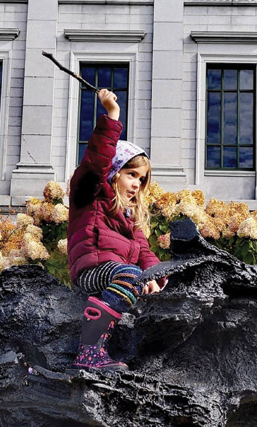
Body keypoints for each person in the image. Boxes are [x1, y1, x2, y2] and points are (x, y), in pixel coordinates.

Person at [66, 88, 164, 370]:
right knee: (131, 274)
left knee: (139, 275)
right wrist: (112, 115)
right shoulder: (91, 195)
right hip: (91, 273)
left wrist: (157, 279)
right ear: (114, 172)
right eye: (131, 174)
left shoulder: (129, 215)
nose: (136, 183)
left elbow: (144, 252)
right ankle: (89, 352)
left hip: (119, 277)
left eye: (141, 179)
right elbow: (95, 164)